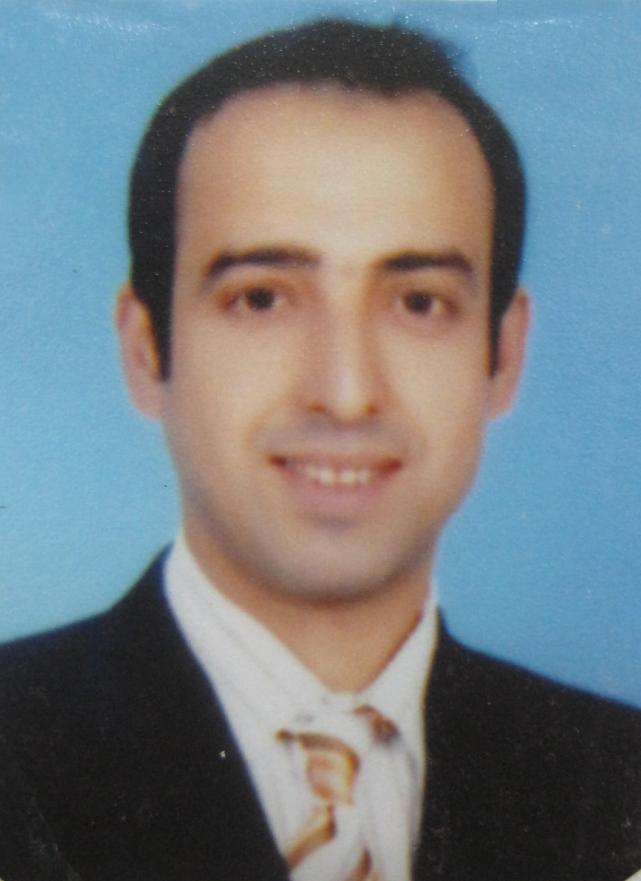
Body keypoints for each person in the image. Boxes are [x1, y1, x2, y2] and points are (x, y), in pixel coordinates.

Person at [1, 18, 640, 881]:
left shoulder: (615, 781)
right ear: (146, 348)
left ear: (502, 353)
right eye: (261, 298)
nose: (344, 393)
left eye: (418, 302)